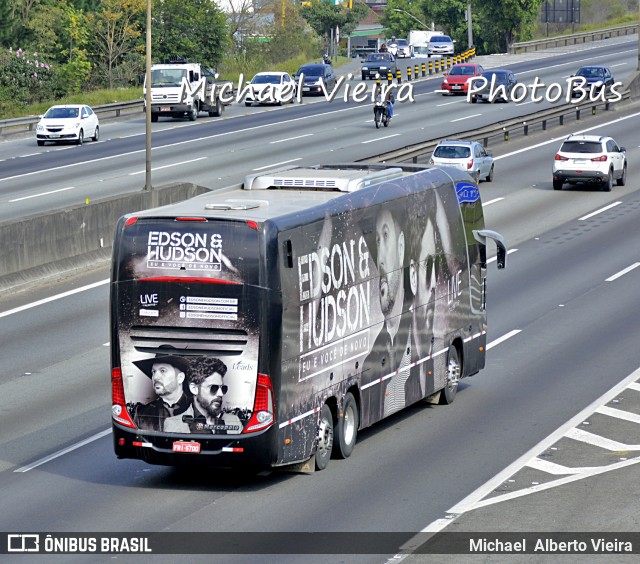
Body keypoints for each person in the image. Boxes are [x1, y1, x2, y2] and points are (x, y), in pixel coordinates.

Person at [360, 203, 414, 425]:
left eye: (386, 236)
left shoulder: (420, 333)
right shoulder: (370, 363)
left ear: (401, 247)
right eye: (377, 241)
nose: (380, 258)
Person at [164, 356, 244, 435]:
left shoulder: (234, 422)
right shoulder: (174, 424)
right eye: (213, 388)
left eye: (223, 388)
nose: (220, 394)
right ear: (194, 389)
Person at [132, 349, 191, 432]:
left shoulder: (197, 408)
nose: (155, 377)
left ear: (180, 378)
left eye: (163, 371)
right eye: (153, 372)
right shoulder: (142, 413)